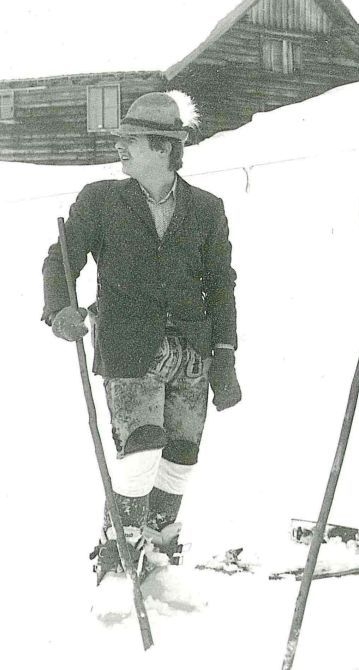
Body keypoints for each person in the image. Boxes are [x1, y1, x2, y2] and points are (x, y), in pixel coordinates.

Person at [41, 91, 242, 615]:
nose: (121, 150)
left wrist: (225, 354)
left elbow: (221, 285)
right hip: (128, 345)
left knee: (180, 456)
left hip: (191, 353)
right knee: (142, 446)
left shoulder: (206, 208)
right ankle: (118, 557)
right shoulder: (101, 199)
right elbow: (61, 259)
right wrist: (61, 308)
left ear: (162, 147)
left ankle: (156, 553)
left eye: (129, 141)